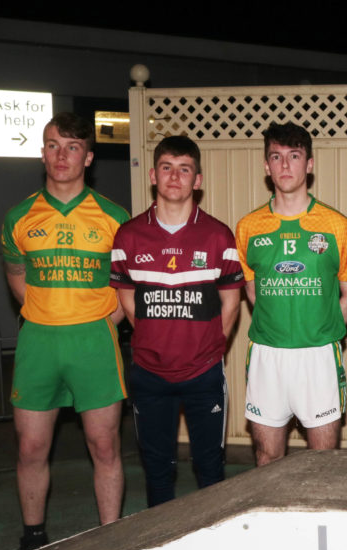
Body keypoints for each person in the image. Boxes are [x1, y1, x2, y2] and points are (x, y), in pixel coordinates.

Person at [1, 112, 129, 550]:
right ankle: (33, 540)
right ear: (42, 153)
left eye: (73, 147)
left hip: (93, 342)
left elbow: (126, 287)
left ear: (88, 158)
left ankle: (110, 541)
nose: (62, 156)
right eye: (54, 146)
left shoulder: (114, 217)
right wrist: (45, 312)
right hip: (39, 341)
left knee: (104, 445)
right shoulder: (18, 216)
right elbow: (16, 275)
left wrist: (101, 322)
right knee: (31, 447)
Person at [110, 135, 244, 506]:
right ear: (153, 175)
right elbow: (127, 297)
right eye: (166, 167)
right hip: (149, 372)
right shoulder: (129, 235)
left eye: (184, 169)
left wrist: (210, 348)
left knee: (210, 468)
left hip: (204, 372)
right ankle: (161, 540)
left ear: (197, 180)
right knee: (156, 470)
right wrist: (153, 337)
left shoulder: (218, 235)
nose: (174, 177)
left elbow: (231, 303)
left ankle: (213, 537)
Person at [235, 123, 347, 465]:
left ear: (309, 164)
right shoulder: (248, 227)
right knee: (267, 456)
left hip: (318, 356)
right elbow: (253, 292)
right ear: (266, 165)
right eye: (276, 157)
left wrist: (321, 328)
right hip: (267, 354)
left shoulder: (337, 225)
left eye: (294, 156)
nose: (285, 165)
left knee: (322, 460)